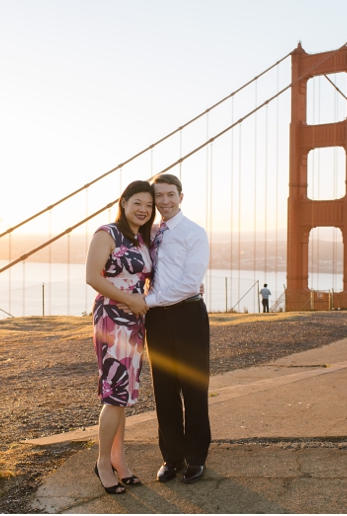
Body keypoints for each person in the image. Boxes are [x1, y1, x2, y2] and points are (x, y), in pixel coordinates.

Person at [85, 180, 155, 495]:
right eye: (137, 202)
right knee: (114, 392)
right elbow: (92, 277)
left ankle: (119, 460)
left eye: (149, 205)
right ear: (123, 202)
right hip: (112, 318)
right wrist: (130, 300)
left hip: (135, 320)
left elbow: (148, 279)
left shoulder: (142, 239)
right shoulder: (107, 234)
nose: (144, 209)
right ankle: (103, 463)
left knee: (123, 395)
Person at [144, 173, 211, 484]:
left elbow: (189, 283)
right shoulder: (150, 233)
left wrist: (147, 301)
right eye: (159, 196)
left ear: (181, 197)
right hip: (157, 319)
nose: (165, 201)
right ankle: (172, 457)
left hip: (188, 315)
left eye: (171, 194)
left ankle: (196, 457)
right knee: (164, 389)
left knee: (194, 388)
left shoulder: (194, 233)